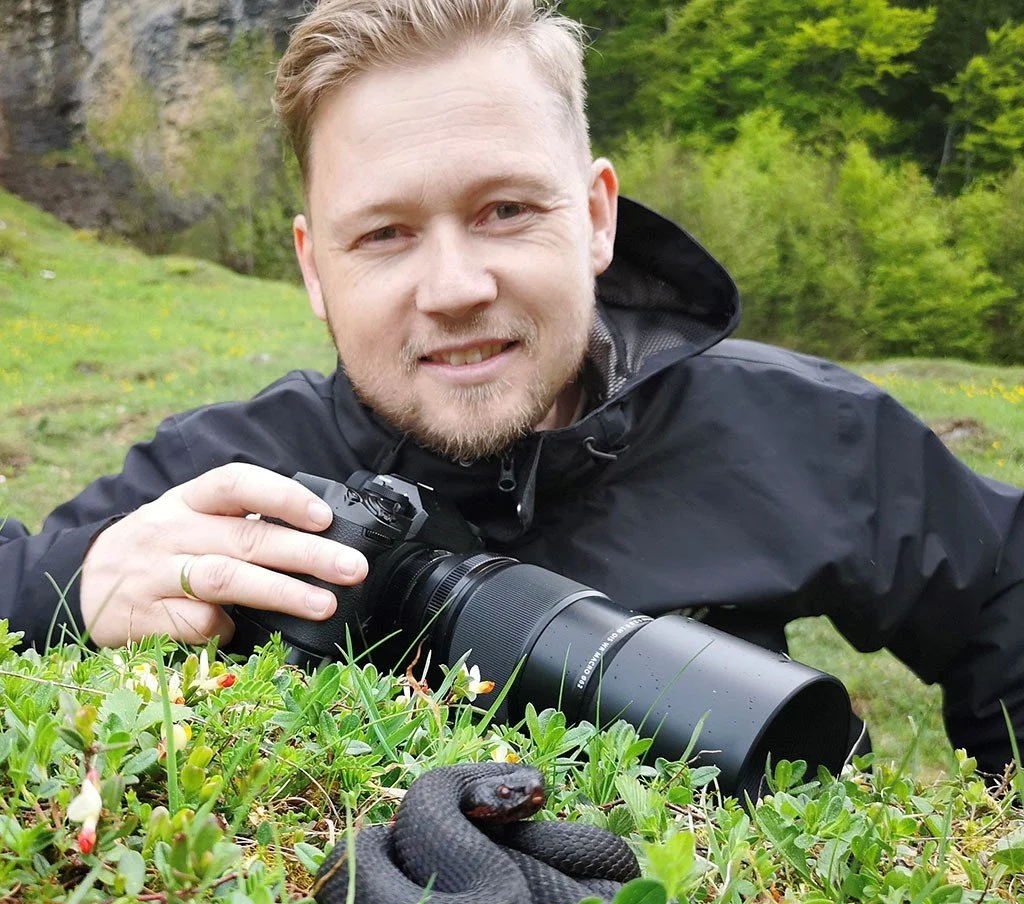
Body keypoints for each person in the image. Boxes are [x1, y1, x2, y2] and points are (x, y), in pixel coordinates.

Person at [1, 0, 1022, 778]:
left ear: (594, 216)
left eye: (502, 210)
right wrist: (77, 585)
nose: (454, 289)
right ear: (315, 268)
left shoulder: (796, 428)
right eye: (385, 233)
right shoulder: (230, 478)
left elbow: (1002, 595)